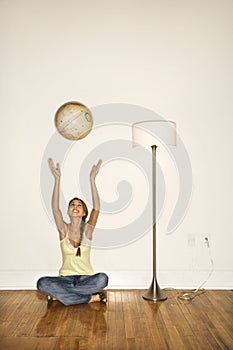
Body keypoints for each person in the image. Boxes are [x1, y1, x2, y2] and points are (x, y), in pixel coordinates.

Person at [37, 158, 108, 306]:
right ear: (68, 211)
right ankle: (90, 298)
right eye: (72, 205)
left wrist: (92, 180)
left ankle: (60, 295)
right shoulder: (63, 229)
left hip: (85, 278)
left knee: (102, 279)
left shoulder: (87, 230)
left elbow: (97, 209)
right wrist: (57, 180)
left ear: (83, 212)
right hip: (65, 278)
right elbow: (55, 209)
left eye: (79, 205)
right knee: (42, 283)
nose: (75, 207)